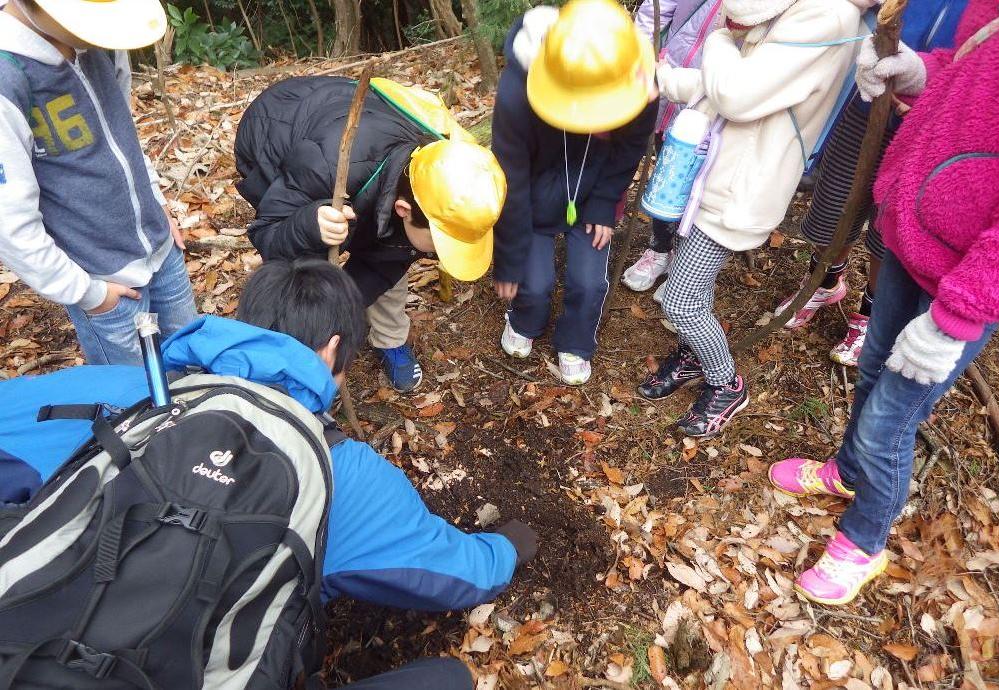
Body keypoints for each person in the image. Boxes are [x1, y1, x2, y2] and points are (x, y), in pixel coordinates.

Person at [0, 260, 537, 626]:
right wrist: (510, 546)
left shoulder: (106, 393)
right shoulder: (342, 476)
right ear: (331, 351)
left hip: (30, 638)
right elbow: (456, 577)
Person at [768, 0, 999, 606]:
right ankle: (849, 473)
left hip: (967, 278)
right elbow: (974, 93)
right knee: (872, 370)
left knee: (892, 418)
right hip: (915, 240)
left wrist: (958, 317)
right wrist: (921, 72)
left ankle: (864, 539)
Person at [636, 0, 874, 437]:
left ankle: (726, 383)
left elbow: (737, 93)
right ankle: (693, 354)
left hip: (741, 186)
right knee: (695, 284)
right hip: (718, 174)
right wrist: (661, 80)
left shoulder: (826, 16)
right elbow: (730, 87)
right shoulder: (803, 9)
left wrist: (719, 36)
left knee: (680, 301)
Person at [236, 77, 506, 393]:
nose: (442, 257)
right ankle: (295, 355)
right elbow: (268, 234)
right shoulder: (326, 166)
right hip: (273, 130)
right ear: (404, 210)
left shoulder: (452, 177)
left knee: (392, 255)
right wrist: (307, 225)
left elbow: (385, 263)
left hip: (350, 140)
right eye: (441, 245)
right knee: (307, 265)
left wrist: (343, 315)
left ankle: (388, 340)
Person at [0, 0, 198, 365]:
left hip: (160, 249)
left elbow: (124, 138)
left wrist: (157, 204)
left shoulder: (104, 42)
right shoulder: (8, 76)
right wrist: (87, 292)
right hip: (104, 282)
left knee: (192, 365)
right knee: (135, 403)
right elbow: (9, 222)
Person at [772, 0, 967, 367]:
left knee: (889, 223)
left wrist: (934, 97)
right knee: (836, 201)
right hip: (869, 99)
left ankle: (871, 311)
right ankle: (825, 282)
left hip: (931, 125)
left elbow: (984, 70)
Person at [492, 0, 658, 385]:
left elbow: (629, 148)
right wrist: (509, 259)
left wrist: (603, 205)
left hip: (592, 190)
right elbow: (510, 181)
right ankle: (524, 320)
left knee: (589, 282)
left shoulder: (635, 76)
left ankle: (577, 342)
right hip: (532, 198)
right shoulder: (519, 94)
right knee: (532, 285)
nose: (610, 122)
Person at [621, 0, 723, 294]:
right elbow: (657, 10)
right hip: (667, 76)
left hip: (712, 95)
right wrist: (641, 55)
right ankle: (659, 247)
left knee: (699, 177)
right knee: (667, 170)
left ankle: (685, 263)